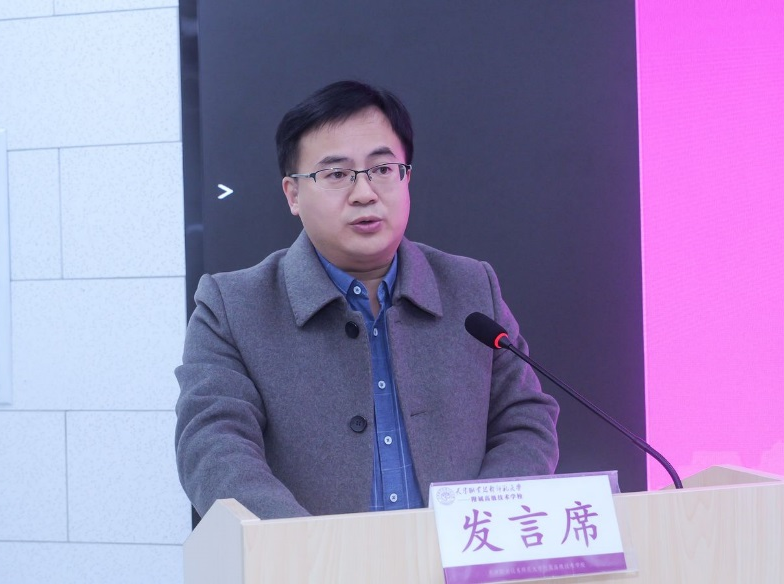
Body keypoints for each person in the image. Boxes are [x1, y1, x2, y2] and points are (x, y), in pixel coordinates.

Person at [175, 80, 559, 520]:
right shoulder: (231, 307)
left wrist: (476, 526)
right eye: (336, 174)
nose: (364, 193)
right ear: (293, 194)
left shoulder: (471, 287)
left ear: (406, 176)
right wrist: (310, 548)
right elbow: (212, 446)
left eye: (382, 169)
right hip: (311, 557)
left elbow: (525, 420)